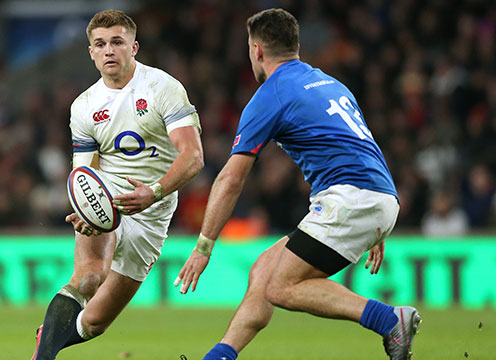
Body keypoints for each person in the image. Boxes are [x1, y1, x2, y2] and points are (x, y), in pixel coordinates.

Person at [175, 8, 420, 360]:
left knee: (282, 287)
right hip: (378, 193)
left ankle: (389, 319)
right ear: (296, 46)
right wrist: (378, 224)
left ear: (257, 50)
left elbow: (230, 178)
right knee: (264, 271)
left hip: (349, 198)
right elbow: (363, 145)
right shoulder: (330, 84)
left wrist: (203, 246)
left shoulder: (271, 94)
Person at [31, 9, 204, 360]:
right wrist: (83, 207)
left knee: (94, 322)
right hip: (106, 197)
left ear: (134, 47)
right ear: (91, 52)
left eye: (117, 42)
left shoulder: (163, 88)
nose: (109, 50)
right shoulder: (83, 106)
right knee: (89, 277)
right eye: (100, 44)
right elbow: (83, 171)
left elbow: (194, 156)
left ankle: (50, 333)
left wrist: (153, 192)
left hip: (153, 209)